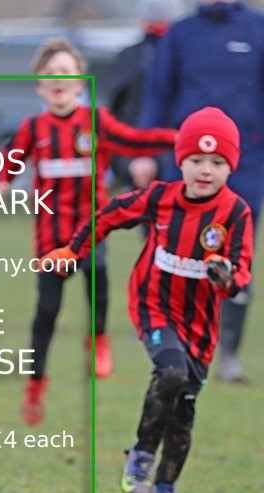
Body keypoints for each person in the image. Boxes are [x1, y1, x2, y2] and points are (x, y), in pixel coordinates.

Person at [44, 107, 253, 493]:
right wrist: (73, 249)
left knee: (184, 413)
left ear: (230, 165)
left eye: (216, 162)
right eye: (195, 160)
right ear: (181, 162)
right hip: (153, 307)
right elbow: (107, 215)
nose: (205, 170)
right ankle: (140, 454)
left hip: (201, 327)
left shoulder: (236, 213)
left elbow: (242, 273)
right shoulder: (160, 197)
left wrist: (225, 277)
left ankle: (166, 486)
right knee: (170, 372)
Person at [0, 38, 177, 426]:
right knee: (47, 312)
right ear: (40, 86)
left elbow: (134, 140)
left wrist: (177, 139)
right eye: (51, 74)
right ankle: (35, 386)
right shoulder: (33, 127)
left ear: (79, 83)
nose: (59, 80)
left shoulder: (98, 122)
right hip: (50, 238)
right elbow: (7, 161)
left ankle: (99, 341)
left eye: (66, 73)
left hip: (91, 230)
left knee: (99, 278)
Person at [138, 0, 264, 383]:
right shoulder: (180, 34)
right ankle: (176, 345)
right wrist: (145, 152)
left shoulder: (258, 30)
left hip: (247, 164)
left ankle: (228, 355)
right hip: (186, 164)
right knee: (181, 253)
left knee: (235, 257)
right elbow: (158, 94)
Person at [107, 0, 184, 193]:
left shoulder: (130, 57)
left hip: (142, 154)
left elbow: (116, 110)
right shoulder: (188, 58)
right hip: (177, 153)